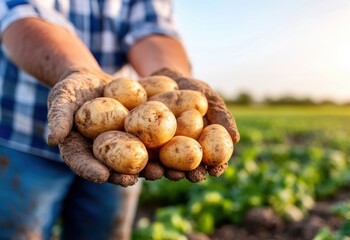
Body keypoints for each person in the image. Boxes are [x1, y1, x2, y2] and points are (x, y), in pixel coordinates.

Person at [0, 1, 239, 239]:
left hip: (121, 145)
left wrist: (169, 72)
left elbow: (153, 27)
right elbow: (20, 14)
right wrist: (80, 71)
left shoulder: (148, 116)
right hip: (24, 136)